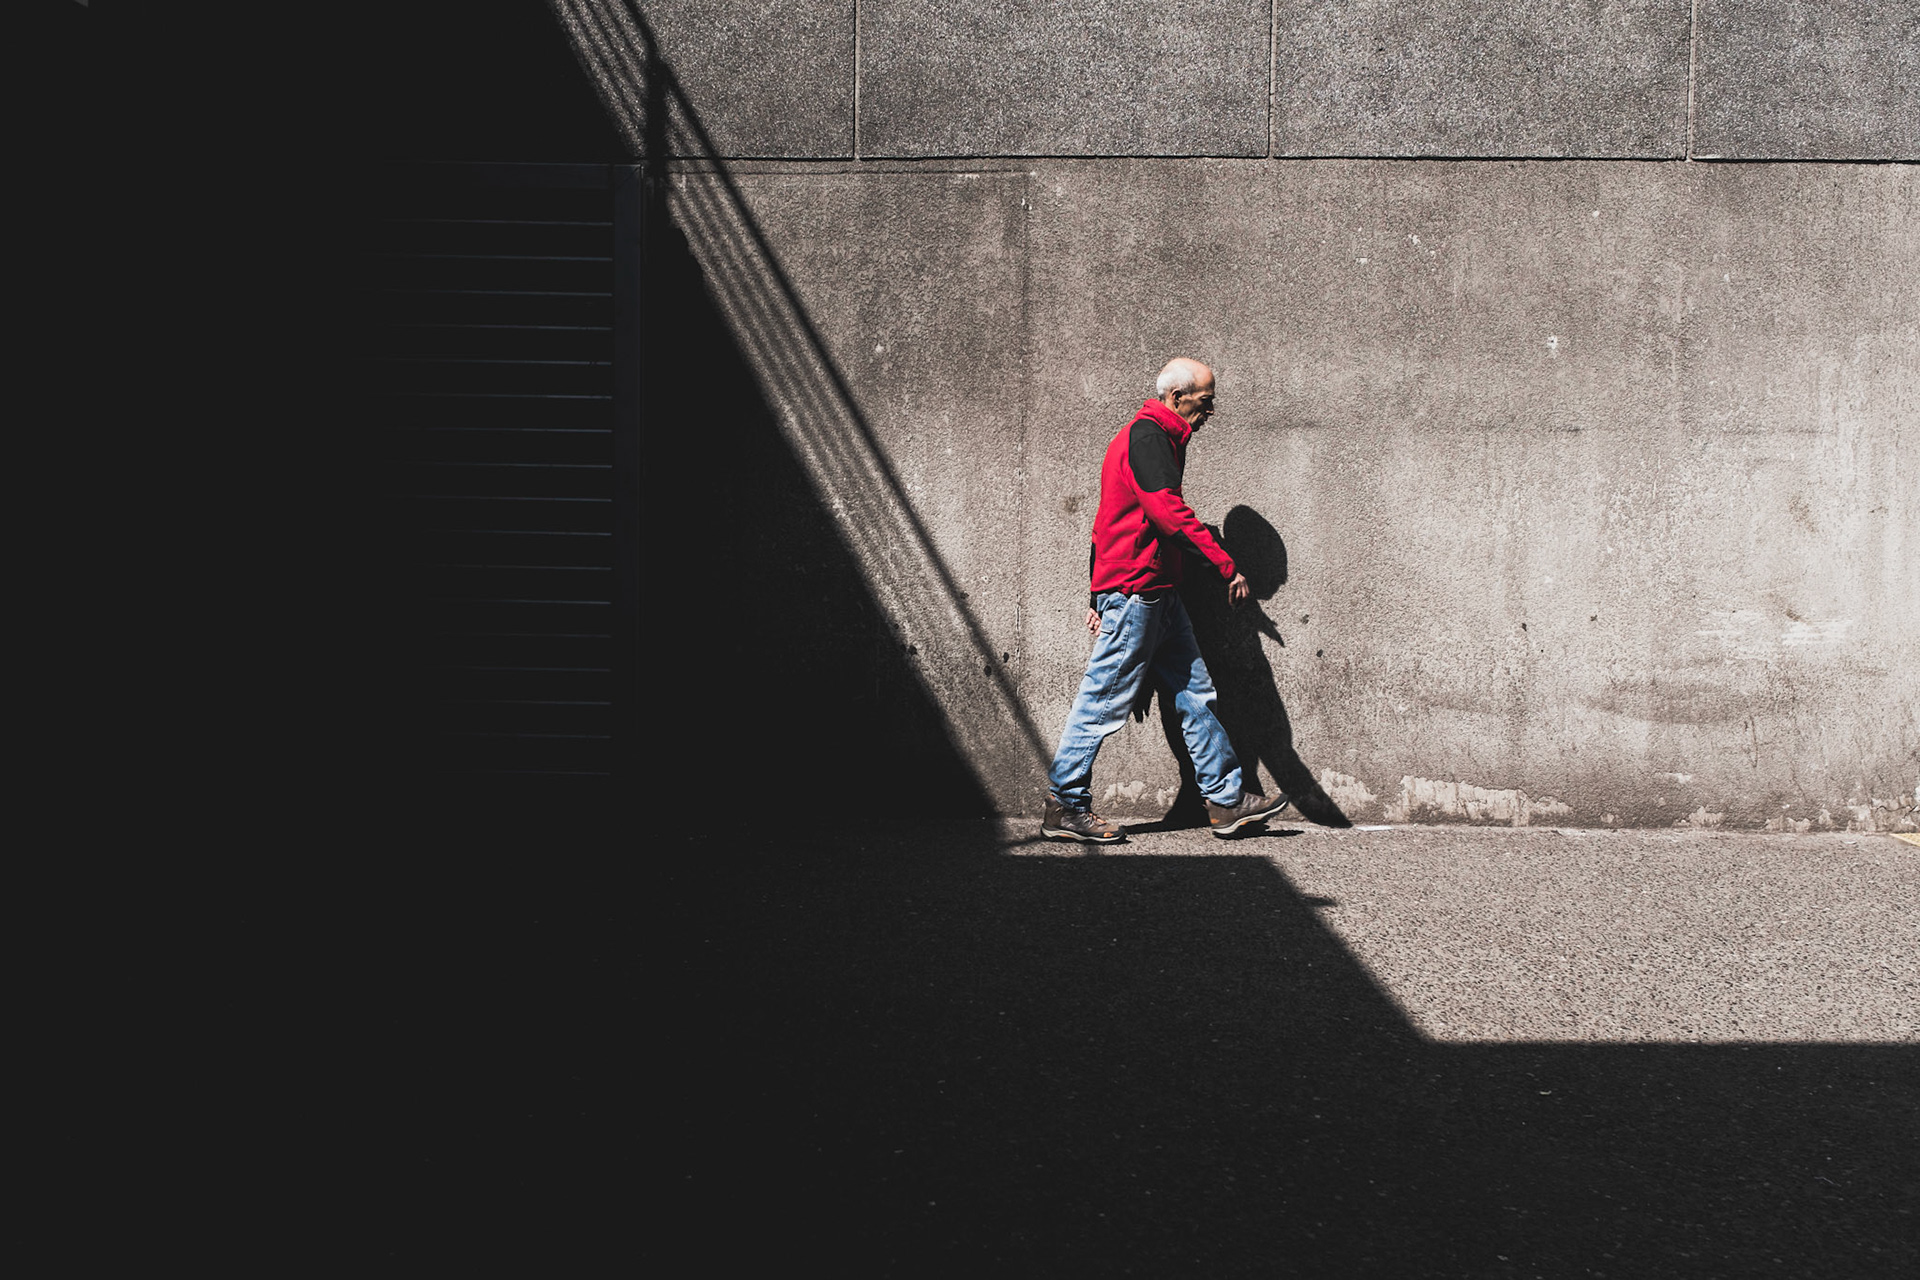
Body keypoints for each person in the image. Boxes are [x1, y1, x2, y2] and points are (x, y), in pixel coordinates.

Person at [1042, 358, 1290, 843]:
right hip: (1136, 594)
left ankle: (1225, 800)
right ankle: (1064, 803)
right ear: (1178, 398)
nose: (1212, 410)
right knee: (1101, 701)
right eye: (1206, 400)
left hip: (1158, 595)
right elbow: (1167, 513)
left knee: (1195, 693)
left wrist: (1097, 592)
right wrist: (1225, 565)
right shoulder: (1149, 436)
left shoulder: (1154, 438)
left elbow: (1106, 522)